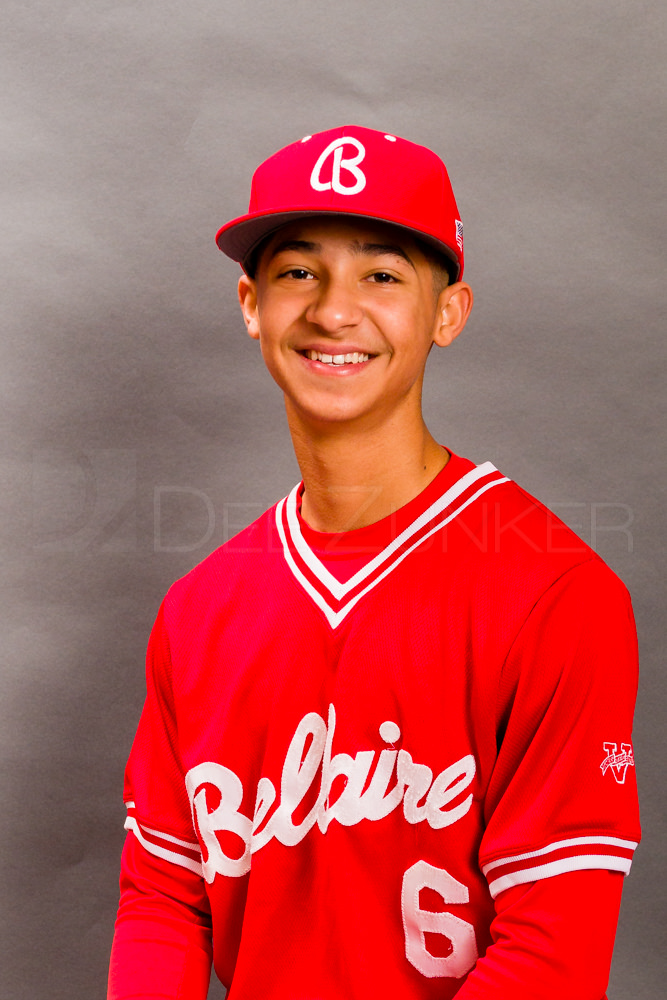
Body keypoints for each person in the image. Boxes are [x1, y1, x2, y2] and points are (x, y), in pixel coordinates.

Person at [107, 125, 641, 1000]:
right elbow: (164, 900)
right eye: (296, 273)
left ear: (447, 313)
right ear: (250, 304)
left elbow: (552, 948)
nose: (332, 310)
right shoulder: (198, 608)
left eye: (382, 275)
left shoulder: (555, 594)